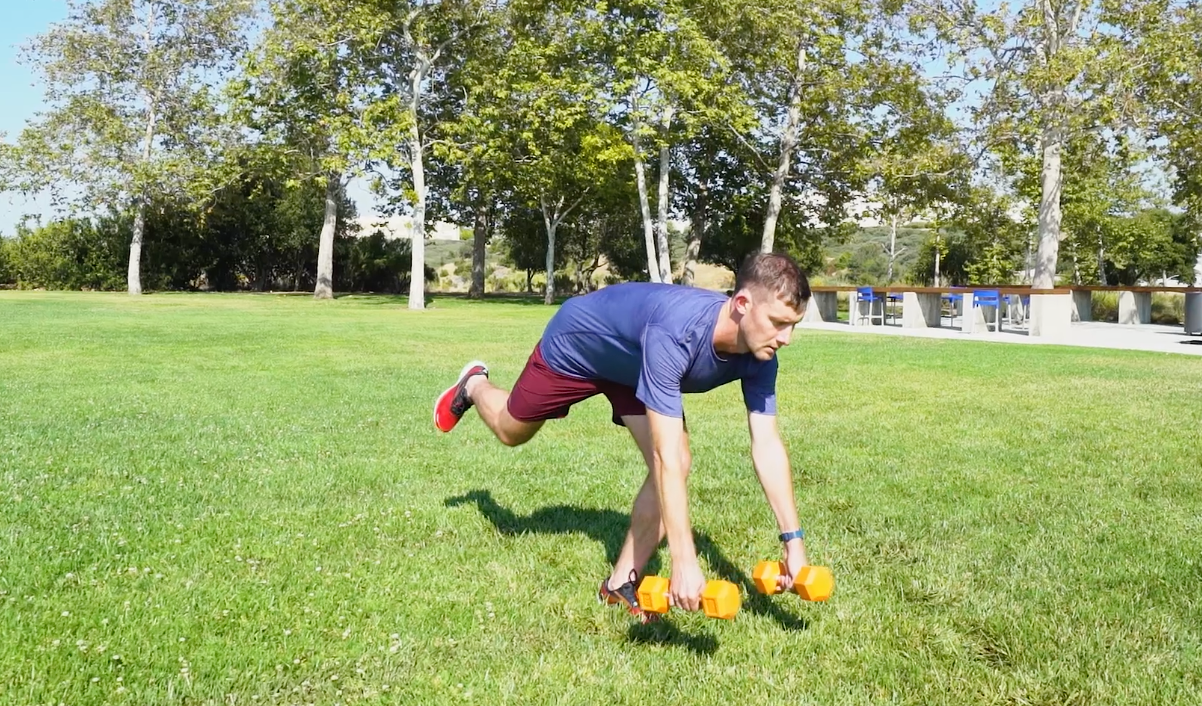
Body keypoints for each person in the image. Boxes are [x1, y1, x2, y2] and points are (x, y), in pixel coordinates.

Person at [433, 252, 813, 622]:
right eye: (778, 322)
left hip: (634, 366)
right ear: (743, 303)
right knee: (510, 430)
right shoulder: (678, 332)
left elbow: (767, 445)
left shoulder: (761, 355)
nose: (787, 338)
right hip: (581, 342)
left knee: (680, 462)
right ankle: (474, 385)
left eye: (793, 325)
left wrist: (793, 543)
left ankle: (620, 583)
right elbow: (664, 456)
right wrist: (683, 561)